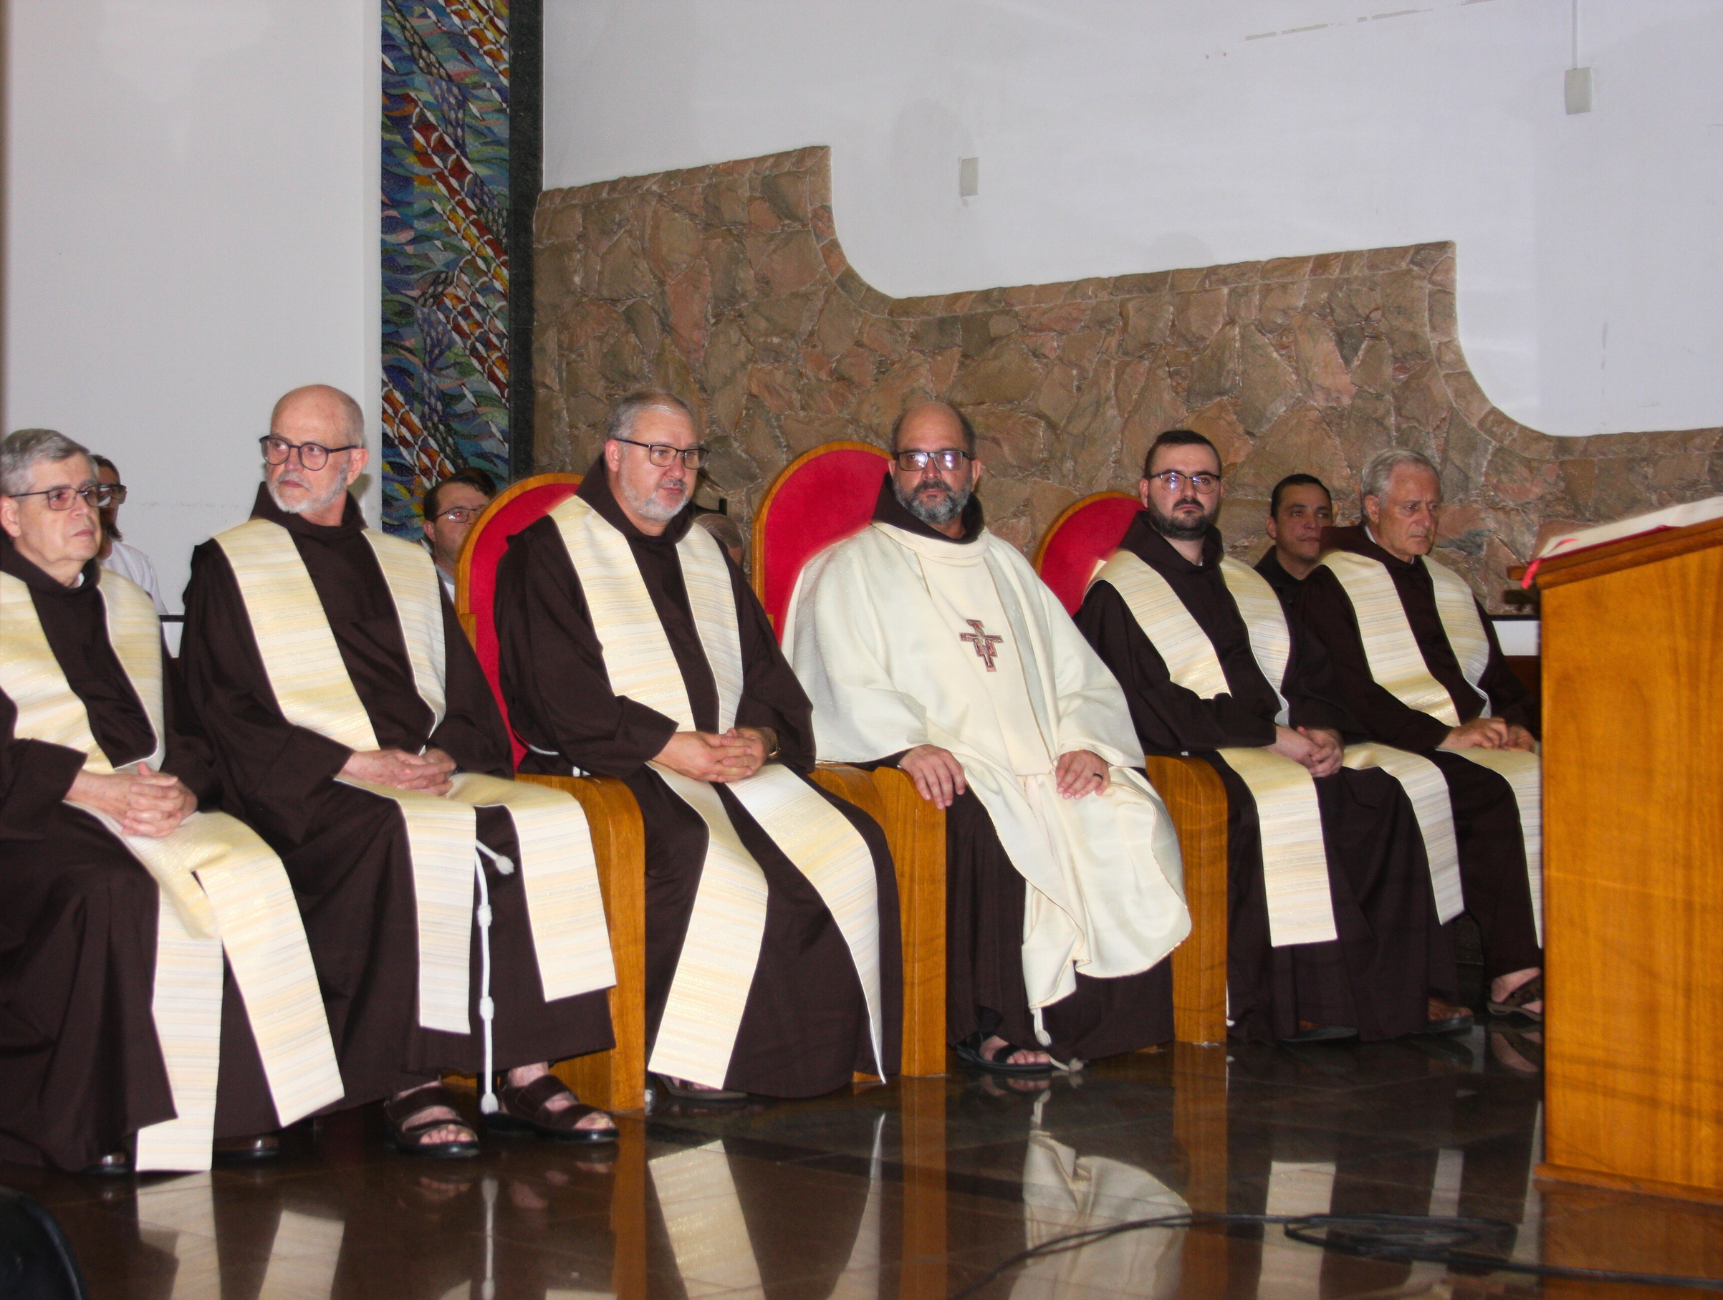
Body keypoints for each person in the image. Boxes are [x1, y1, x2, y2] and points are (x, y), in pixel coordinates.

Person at [180, 385, 618, 1157]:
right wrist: (350, 761)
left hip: (420, 771)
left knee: (543, 819)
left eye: (312, 450)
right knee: (394, 833)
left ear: (354, 464)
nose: (290, 463)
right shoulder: (229, 561)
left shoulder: (404, 564)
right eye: (278, 445)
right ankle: (408, 1078)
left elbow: (462, 685)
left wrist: (449, 750)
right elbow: (222, 705)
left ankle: (524, 1068)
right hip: (315, 787)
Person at [0, 428, 342, 1173]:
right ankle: (106, 1121)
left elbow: (187, 722)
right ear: (9, 515)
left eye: (92, 494)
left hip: (139, 807)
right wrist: (89, 788)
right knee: (110, 890)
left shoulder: (125, 603)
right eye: (59, 496)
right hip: (20, 825)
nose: (84, 510)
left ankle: (232, 1110)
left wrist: (182, 786)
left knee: (250, 866)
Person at [494, 389, 902, 1101]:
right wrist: (663, 744)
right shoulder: (548, 551)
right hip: (615, 768)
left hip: (720, 766)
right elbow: (553, 693)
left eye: (688, 455)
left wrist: (762, 740)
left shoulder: (705, 556)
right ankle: (691, 1059)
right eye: (660, 453)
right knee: (710, 860)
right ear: (614, 455)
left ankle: (819, 1056)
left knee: (853, 843)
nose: (677, 470)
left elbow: (767, 674)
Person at [784, 401, 1189, 1075]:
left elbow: (1077, 676)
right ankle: (991, 1025)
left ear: (975, 469)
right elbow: (835, 680)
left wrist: (1087, 743)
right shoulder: (849, 568)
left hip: (1040, 765)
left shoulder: (1006, 566)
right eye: (915, 460)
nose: (931, 475)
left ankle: (1097, 1025)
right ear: (893, 472)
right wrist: (905, 744)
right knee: (979, 821)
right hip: (947, 766)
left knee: (1121, 806)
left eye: (946, 459)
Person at [1077, 430, 1470, 1044]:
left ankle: (1395, 993)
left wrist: (1326, 730)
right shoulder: (1117, 590)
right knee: (1288, 805)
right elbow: (1142, 706)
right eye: (1174, 478)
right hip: (1190, 757)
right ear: (1145, 489)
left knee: (1382, 798)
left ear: (1220, 493)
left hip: (1272, 742)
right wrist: (1269, 736)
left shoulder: (1243, 581)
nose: (1189, 492)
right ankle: (1299, 1002)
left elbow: (1308, 672)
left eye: (1203, 480)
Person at [1294, 448, 1543, 1022]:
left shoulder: (1450, 585)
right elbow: (1351, 691)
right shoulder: (1330, 585)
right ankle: (1513, 970)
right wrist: (1443, 736)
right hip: (1386, 741)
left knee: (1540, 771)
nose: (1425, 521)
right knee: (1491, 791)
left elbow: (1499, 678)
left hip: (1465, 741)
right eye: (1410, 507)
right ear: (1373, 509)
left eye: (1433, 508)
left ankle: (1562, 954)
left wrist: (1521, 723)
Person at [91, 454, 167, 613]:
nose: (109, 500)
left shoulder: (136, 562)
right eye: (100, 491)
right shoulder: (59, 562)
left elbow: (159, 625)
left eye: (115, 491)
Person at [1255, 473, 1333, 601]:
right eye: (1298, 513)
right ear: (1273, 527)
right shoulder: (1250, 590)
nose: (1312, 524)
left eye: (1322, 515)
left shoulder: (1347, 591)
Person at [421, 469, 496, 603]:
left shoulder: (514, 588)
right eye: (458, 514)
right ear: (431, 530)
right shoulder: (412, 592)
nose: (473, 521)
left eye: (482, 513)